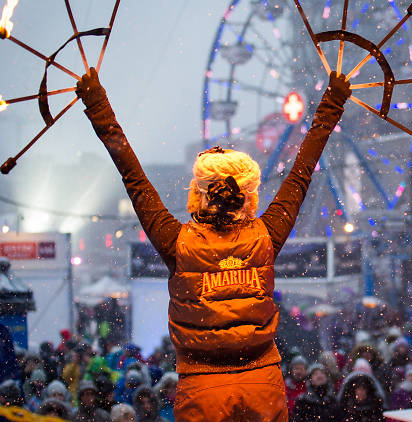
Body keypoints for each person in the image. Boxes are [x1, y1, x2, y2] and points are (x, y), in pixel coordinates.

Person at [76, 66, 351, 422]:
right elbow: (301, 172)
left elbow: (134, 179)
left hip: (202, 384)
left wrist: (99, 107)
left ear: (198, 194)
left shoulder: (179, 242)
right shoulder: (264, 237)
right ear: (247, 196)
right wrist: (331, 104)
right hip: (261, 380)